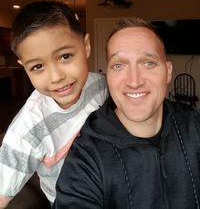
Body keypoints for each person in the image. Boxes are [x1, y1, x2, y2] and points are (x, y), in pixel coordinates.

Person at [53, 17, 200, 209]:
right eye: (119, 65)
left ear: (169, 71)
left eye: (148, 63)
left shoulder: (194, 125)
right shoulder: (86, 158)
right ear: (108, 75)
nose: (134, 81)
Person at [0, 0, 108, 208]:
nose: (56, 77)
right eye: (38, 66)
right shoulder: (28, 129)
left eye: (65, 56)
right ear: (24, 66)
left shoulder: (102, 85)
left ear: (86, 46)